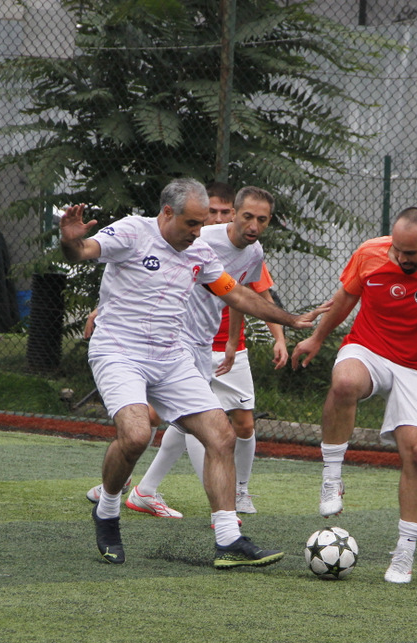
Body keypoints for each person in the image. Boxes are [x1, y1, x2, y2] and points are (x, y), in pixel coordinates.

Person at [59, 177, 318, 568]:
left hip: (171, 357)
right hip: (118, 351)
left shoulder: (199, 252)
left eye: (202, 223)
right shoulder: (132, 231)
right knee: (136, 435)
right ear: (167, 213)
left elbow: (235, 293)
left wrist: (290, 319)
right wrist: (70, 240)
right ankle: (108, 509)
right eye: (192, 223)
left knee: (222, 435)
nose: (199, 232)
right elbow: (83, 251)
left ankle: (228, 539)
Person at [291, 207, 417, 585]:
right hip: (367, 349)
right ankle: (332, 477)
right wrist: (317, 338)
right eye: (396, 249)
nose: (400, 257)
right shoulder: (370, 253)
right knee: (344, 383)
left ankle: (405, 550)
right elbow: (345, 299)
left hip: (414, 367)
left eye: (410, 253)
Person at [119, 186, 292, 517]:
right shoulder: (199, 240)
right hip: (175, 339)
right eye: (247, 216)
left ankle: (144, 490)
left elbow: (238, 295)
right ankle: (223, 513)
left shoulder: (254, 253)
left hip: (207, 344)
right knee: (198, 421)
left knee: (196, 423)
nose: (253, 225)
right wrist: (108, 307)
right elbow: (149, 268)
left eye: (262, 219)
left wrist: (234, 342)